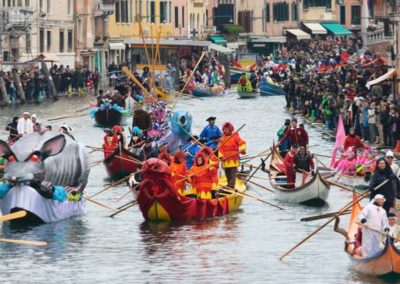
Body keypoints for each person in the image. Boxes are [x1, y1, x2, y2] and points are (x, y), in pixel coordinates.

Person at [218, 122, 246, 189]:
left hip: (233, 159)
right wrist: (221, 156)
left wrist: (242, 148)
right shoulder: (222, 139)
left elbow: (242, 143)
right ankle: (229, 185)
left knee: (233, 173)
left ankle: (231, 186)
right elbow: (219, 149)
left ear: (230, 129)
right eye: (223, 129)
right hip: (225, 159)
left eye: (226, 129)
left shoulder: (235, 137)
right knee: (227, 173)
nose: (224, 131)